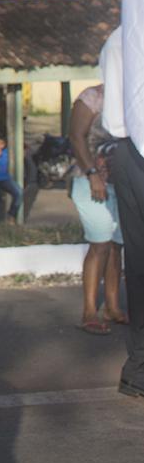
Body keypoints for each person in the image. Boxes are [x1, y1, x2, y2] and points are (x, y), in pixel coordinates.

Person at [100, 24, 144, 396]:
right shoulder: (123, 39)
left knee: (139, 262)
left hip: (129, 153)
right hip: (135, 154)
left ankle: (139, 367)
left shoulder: (118, 38)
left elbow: (114, 117)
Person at [68, 82, 126, 334]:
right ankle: (89, 311)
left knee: (116, 245)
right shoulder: (92, 97)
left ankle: (112, 306)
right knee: (100, 243)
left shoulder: (132, 95)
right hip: (89, 180)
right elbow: (76, 136)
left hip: (120, 182)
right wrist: (92, 174)